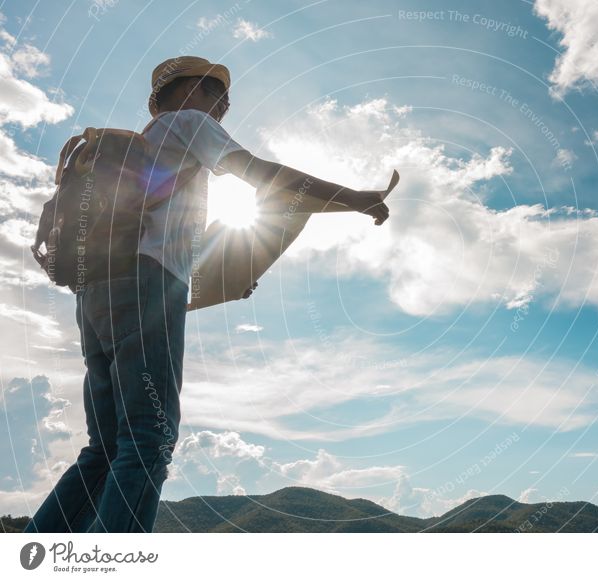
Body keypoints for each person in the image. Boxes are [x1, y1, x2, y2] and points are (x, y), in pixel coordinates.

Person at [23, 56, 391, 533]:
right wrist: (356, 198)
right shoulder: (188, 124)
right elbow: (265, 176)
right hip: (144, 288)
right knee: (149, 439)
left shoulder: (141, 150)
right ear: (186, 92)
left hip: (94, 293)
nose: (226, 106)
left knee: (104, 448)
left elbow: (156, 243)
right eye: (218, 94)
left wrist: (219, 279)